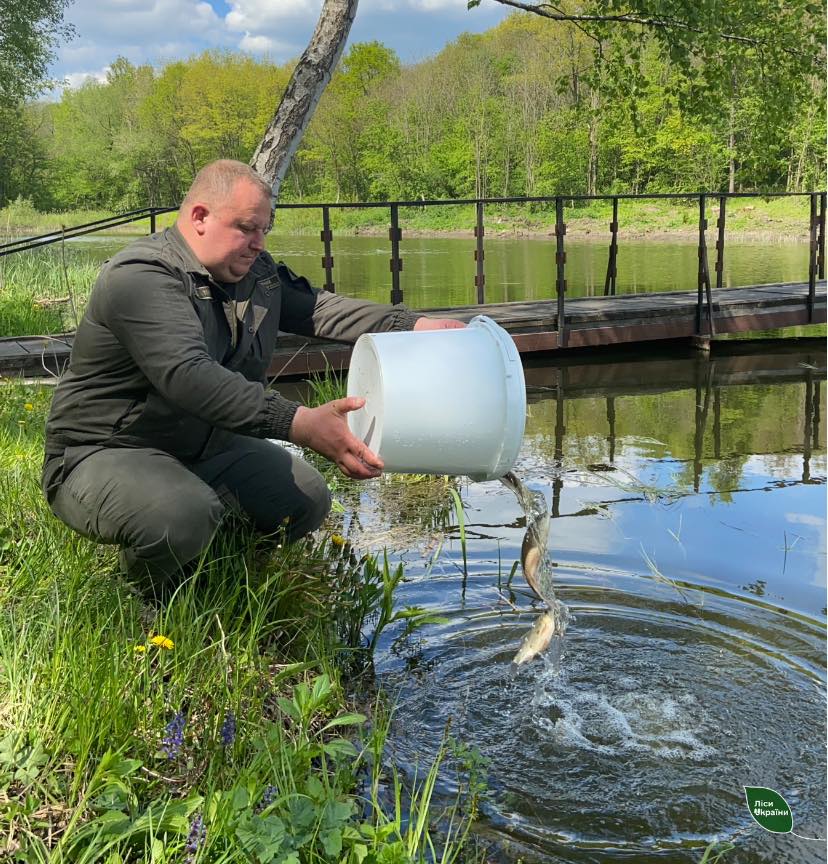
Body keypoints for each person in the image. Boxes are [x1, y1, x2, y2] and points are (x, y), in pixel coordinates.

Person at [42, 159, 463, 590]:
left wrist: (412, 325)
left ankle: (224, 569)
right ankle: (149, 602)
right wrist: (299, 422)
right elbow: (189, 375)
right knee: (180, 514)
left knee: (305, 499)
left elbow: (320, 309)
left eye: (265, 229)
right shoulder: (141, 277)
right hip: (105, 452)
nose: (259, 243)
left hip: (205, 445)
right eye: (246, 228)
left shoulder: (256, 275)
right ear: (200, 217)